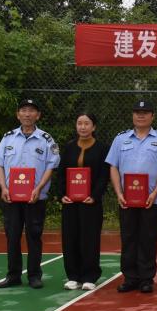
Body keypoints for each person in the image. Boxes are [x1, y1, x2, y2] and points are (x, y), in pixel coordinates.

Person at [0, 97, 60, 289]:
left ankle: (34, 276)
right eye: (24, 110)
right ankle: (13, 275)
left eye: (31, 111)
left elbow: (51, 167)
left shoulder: (47, 139)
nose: (27, 114)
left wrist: (39, 188)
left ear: (38, 115)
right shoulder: (8, 137)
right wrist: (3, 188)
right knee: (12, 236)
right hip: (11, 197)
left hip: (35, 198)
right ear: (18, 114)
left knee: (34, 236)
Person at [105, 99, 157, 294]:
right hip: (126, 199)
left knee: (148, 238)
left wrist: (155, 192)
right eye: (137, 112)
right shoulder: (120, 139)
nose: (140, 116)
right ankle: (130, 277)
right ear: (132, 115)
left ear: (152, 116)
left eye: (145, 112)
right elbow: (113, 166)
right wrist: (119, 193)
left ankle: (146, 278)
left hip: (150, 199)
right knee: (128, 237)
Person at [55, 111, 108, 291]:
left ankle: (89, 276)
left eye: (86, 123)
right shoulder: (69, 147)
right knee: (70, 238)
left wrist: (94, 195)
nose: (83, 127)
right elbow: (61, 173)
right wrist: (62, 194)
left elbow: (103, 175)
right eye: (79, 123)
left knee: (89, 239)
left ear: (94, 127)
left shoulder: (102, 148)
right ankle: (73, 276)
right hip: (70, 202)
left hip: (91, 202)